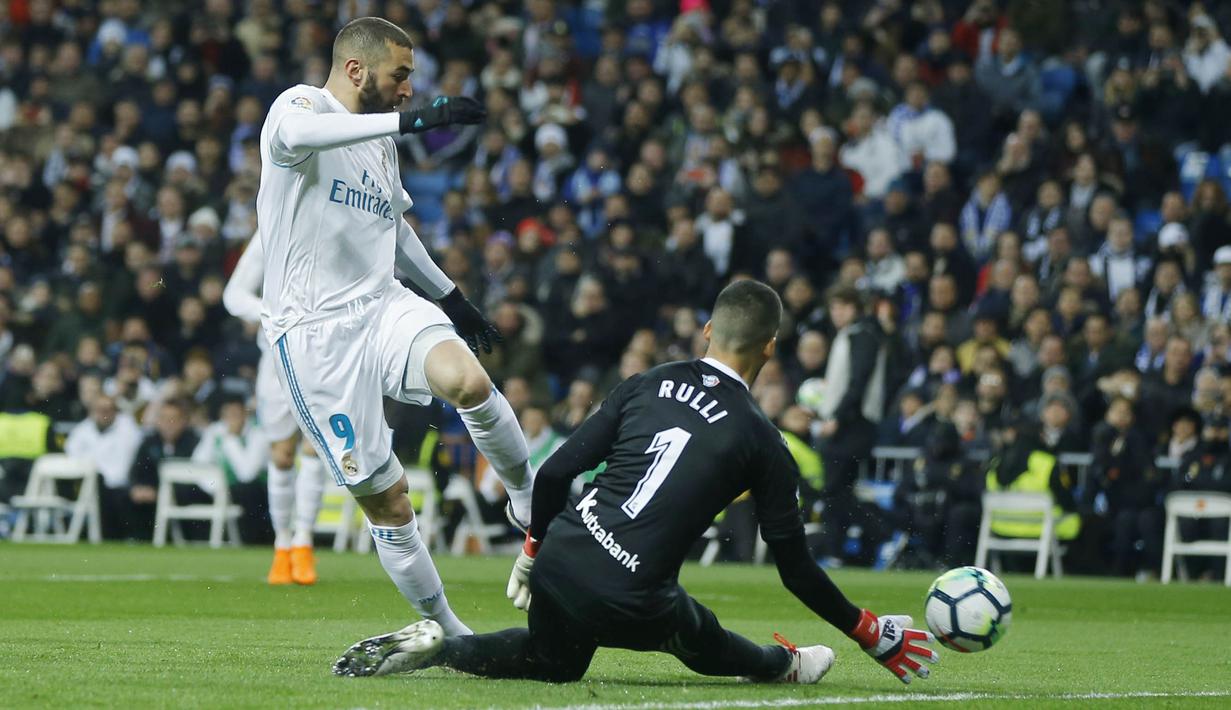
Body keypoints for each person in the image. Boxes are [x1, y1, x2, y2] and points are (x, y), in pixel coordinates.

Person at [333, 280, 938, 685]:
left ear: (708, 330)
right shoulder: (764, 441)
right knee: (699, 636)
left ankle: (443, 646)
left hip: (562, 556)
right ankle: (783, 664)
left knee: (554, 663)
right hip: (632, 594)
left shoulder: (650, 381)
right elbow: (796, 569)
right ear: (771, 348)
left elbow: (556, 472)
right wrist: (866, 630)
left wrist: (533, 551)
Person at [255, 17, 532, 638]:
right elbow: (299, 135)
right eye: (399, 75)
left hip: (381, 303)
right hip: (315, 334)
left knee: (468, 381)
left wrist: (451, 297)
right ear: (356, 70)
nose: (408, 90)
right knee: (389, 500)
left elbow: (394, 227)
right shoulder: (300, 107)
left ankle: (528, 502)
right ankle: (452, 633)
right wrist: (409, 123)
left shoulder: (380, 141)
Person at [223, 231, 327, 585]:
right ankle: (282, 545)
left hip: (325, 354)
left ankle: (304, 543)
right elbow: (234, 295)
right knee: (282, 455)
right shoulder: (270, 230)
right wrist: (275, 313)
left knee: (315, 449)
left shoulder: (335, 221)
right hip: (277, 355)